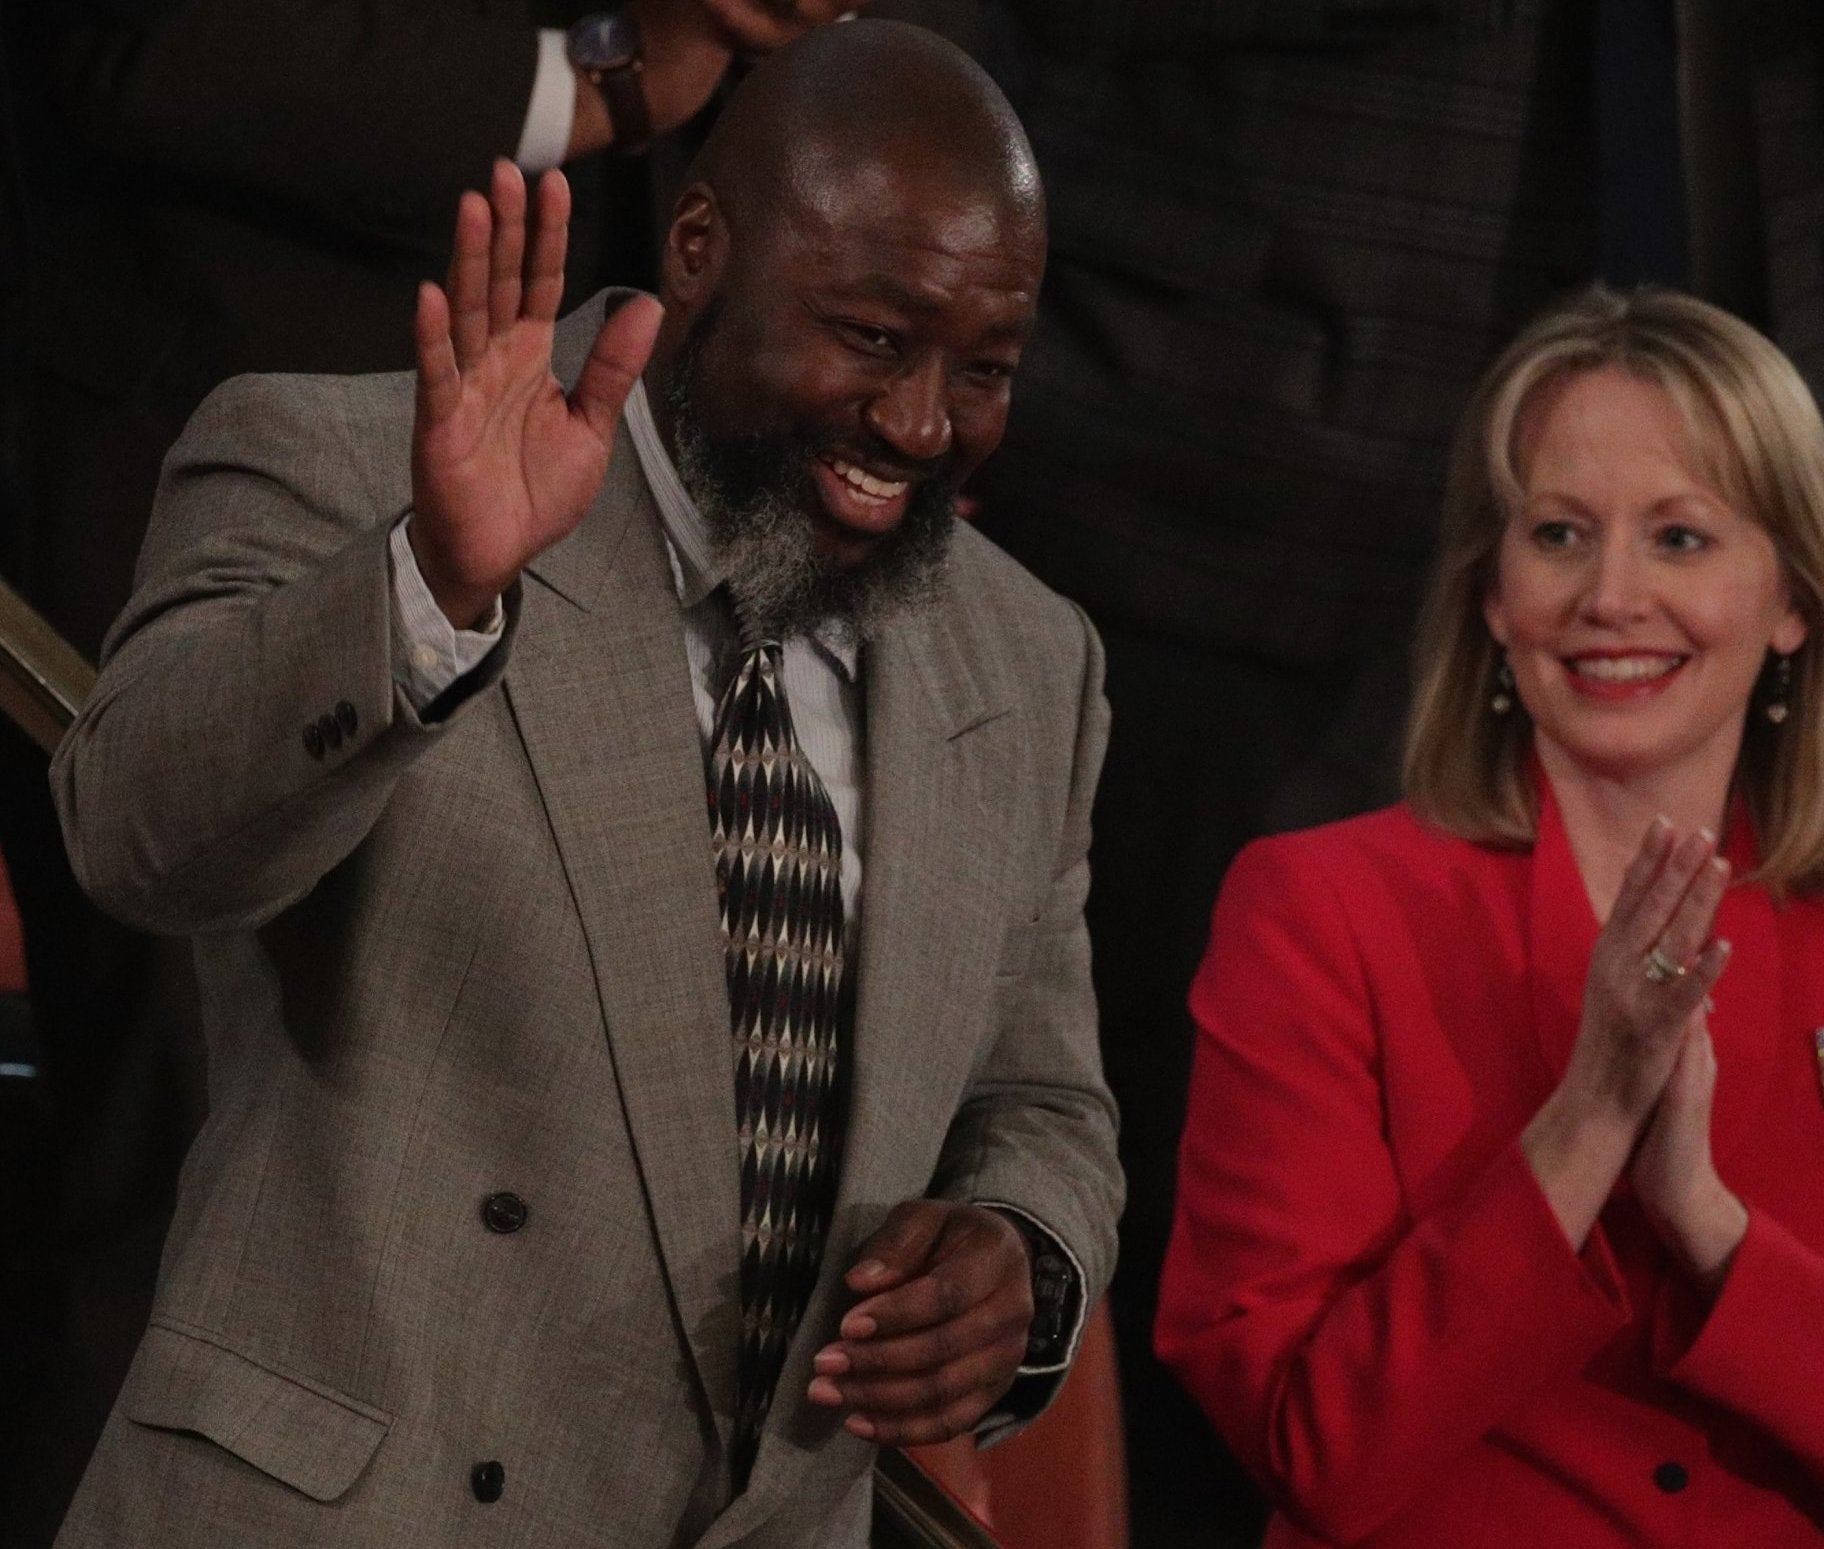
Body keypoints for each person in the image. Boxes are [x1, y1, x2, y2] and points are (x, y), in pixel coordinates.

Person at [46, 20, 1121, 1546]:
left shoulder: (1028, 663)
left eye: (985, 369)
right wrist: (428, 592)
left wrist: (1024, 1257)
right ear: (698, 246)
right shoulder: (356, 470)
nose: (921, 427)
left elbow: (1045, 1096)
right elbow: (130, 833)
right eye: (874, 339)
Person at [1157, 288, 1824, 1547]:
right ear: (1489, 593)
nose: (1610, 596)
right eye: (1560, 534)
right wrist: (1584, 1124)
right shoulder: (1316, 914)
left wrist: (1704, 1219)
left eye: (1680, 538)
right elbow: (1313, 1442)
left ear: (1792, 598)